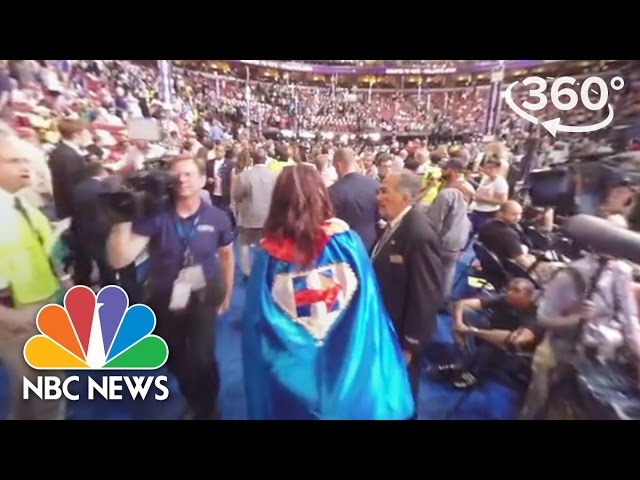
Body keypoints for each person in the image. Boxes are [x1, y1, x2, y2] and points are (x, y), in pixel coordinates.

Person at [242, 165, 413, 420]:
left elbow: (258, 324)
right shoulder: (348, 243)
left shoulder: (269, 256)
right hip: (346, 365)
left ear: (278, 201)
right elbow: (369, 306)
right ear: (322, 195)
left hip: (294, 375)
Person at [107, 154, 234, 420]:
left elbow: (226, 256)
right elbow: (120, 259)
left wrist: (228, 291)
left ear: (202, 180)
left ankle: (207, 408)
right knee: (171, 355)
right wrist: (122, 218)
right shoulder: (156, 217)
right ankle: (196, 398)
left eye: (189, 174)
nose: (182, 179)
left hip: (203, 293)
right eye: (177, 174)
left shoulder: (218, 217)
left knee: (202, 357)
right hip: (164, 296)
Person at [0, 132, 67, 419]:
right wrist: (6, 317)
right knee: (47, 387)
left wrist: (63, 281)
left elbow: (42, 249)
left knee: (30, 391)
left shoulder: (20, 204)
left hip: (44, 303)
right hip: (17, 316)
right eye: (14, 161)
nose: (25, 166)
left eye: (26, 159)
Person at [371, 170, 443, 417]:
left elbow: (426, 293)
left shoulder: (418, 232)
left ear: (404, 197)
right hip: (387, 328)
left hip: (402, 336)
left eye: (384, 191)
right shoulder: (396, 225)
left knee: (402, 394)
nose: (378, 196)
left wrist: (410, 345)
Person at [449, 278, 542, 390]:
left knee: (493, 345)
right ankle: (461, 362)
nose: (509, 292)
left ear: (528, 295)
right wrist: (458, 324)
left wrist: (470, 330)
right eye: (509, 288)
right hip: (488, 333)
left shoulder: (533, 315)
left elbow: (514, 339)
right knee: (461, 312)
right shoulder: (504, 298)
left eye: (516, 290)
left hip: (508, 351)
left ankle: (472, 373)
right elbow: (461, 304)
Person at [329, 148, 380, 253]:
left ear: (338, 165)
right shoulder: (375, 185)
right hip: (372, 243)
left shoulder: (332, 191)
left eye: (334, 168)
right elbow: (379, 215)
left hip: (345, 246)